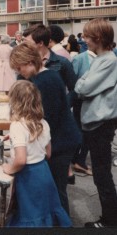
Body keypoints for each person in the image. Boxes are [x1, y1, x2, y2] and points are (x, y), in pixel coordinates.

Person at [10, 42, 81, 215]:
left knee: (56, 189)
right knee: (55, 187)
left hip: (62, 141)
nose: (20, 73)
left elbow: (46, 118)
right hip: (60, 138)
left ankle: (62, 224)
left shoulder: (45, 81)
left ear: (29, 62)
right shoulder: (43, 77)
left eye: (20, 68)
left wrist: (22, 133)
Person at [2, 80, 72, 227]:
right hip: (44, 172)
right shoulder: (43, 123)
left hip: (28, 177)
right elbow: (48, 154)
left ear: (14, 102)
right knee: (44, 213)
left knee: (30, 214)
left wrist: (9, 168)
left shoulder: (17, 126)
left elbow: (21, 160)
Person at [75, 18, 117, 228]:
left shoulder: (108, 60)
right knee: (101, 174)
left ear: (98, 38)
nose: (83, 40)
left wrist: (83, 82)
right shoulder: (100, 59)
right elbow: (83, 84)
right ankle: (110, 218)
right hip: (97, 123)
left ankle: (110, 221)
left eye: (86, 36)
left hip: (100, 124)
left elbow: (82, 87)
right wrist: (83, 82)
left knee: (102, 175)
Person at [71, 50, 96, 176]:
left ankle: (78, 158)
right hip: (80, 101)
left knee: (86, 130)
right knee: (82, 130)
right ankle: (78, 160)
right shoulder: (80, 58)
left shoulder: (105, 58)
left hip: (94, 102)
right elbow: (72, 82)